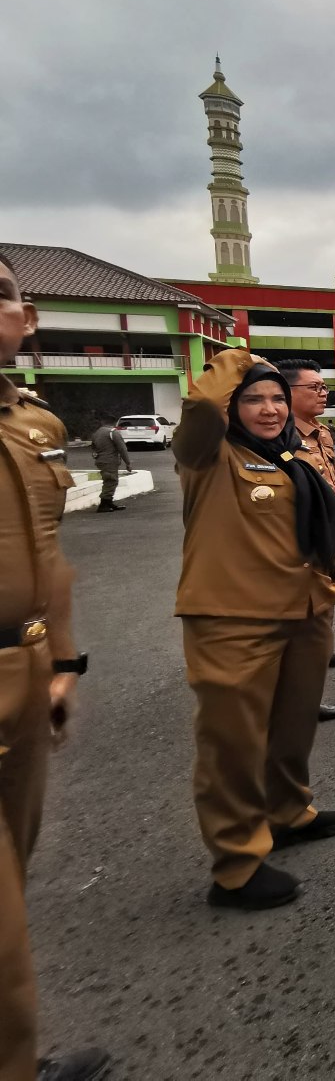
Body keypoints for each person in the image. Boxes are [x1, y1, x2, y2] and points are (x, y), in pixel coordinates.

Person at [174, 348, 335, 910]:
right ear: (232, 408)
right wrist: (240, 357)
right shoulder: (208, 456)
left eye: (278, 397)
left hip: (303, 612)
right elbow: (201, 404)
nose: (270, 409)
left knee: (293, 724)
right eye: (254, 399)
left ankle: (287, 811)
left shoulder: (288, 457)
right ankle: (236, 865)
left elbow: (305, 530)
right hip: (235, 621)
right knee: (233, 744)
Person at [1, 256, 112, 1081]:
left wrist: (61, 660)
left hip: (28, 667)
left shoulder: (32, 426)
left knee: (16, 870)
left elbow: (49, 556)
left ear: (24, 318)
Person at [275, 360, 335, 719]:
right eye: (315, 388)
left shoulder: (320, 432)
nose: (324, 393)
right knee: (300, 619)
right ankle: (300, 701)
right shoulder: (279, 436)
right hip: (301, 540)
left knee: (326, 599)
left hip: (328, 531)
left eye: (324, 387)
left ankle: (323, 648)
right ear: (287, 392)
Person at [88, 413, 133, 513]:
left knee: (108, 480)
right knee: (111, 481)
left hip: (100, 460)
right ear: (114, 422)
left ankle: (108, 503)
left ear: (103, 422)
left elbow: (93, 447)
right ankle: (104, 504)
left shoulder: (97, 433)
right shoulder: (113, 432)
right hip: (110, 460)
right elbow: (122, 449)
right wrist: (128, 463)